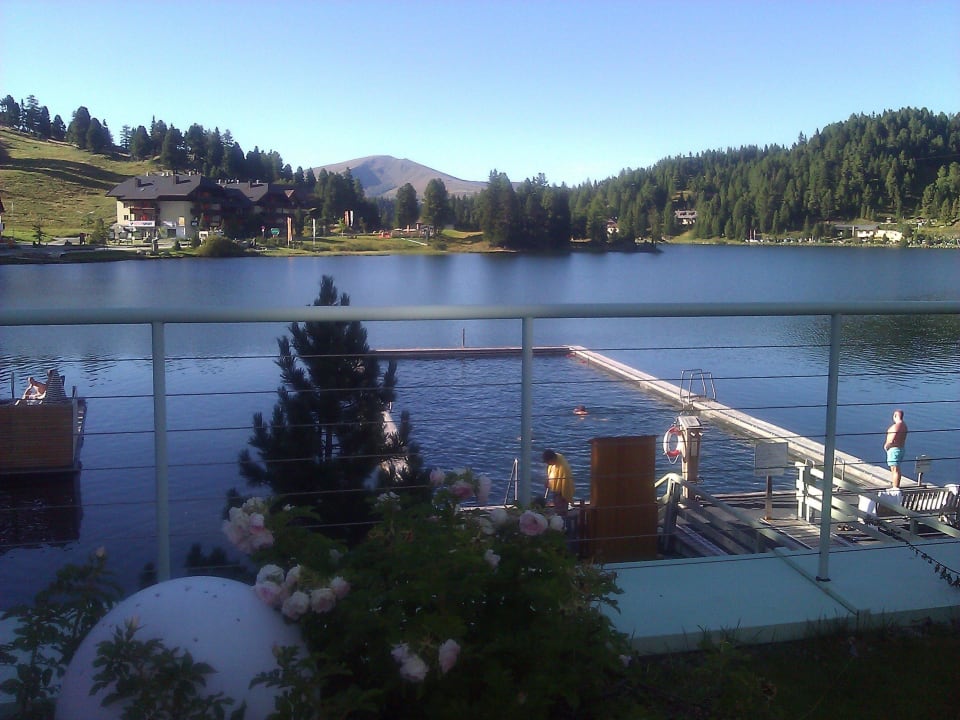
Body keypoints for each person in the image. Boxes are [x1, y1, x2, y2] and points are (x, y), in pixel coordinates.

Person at [542, 449, 575, 515]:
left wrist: (562, 495)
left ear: (552, 459)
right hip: (556, 489)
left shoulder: (563, 468)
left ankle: (562, 518)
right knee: (557, 507)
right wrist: (548, 480)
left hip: (561, 492)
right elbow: (551, 470)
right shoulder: (556, 459)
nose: (548, 464)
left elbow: (566, 484)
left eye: (548, 462)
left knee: (561, 510)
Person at [883, 409, 908, 488]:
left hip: (894, 450)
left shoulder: (897, 426)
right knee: (896, 469)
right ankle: (895, 485)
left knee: (895, 470)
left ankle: (895, 488)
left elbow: (892, 440)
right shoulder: (904, 426)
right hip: (901, 449)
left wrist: (887, 446)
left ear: (895, 416)